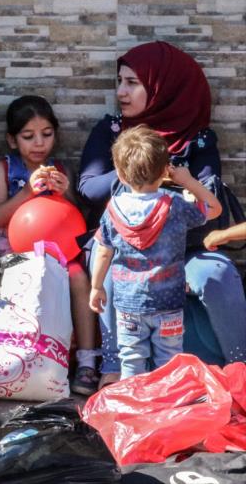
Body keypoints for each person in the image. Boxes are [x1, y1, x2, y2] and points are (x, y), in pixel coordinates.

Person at [78, 41, 246, 387]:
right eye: (120, 81)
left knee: (217, 274)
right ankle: (113, 370)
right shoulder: (112, 131)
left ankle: (238, 369)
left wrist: (169, 175)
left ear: (163, 88)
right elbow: (89, 188)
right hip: (125, 244)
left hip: (183, 245)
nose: (122, 92)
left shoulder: (196, 140)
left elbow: (209, 198)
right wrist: (138, 166)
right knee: (105, 262)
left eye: (133, 83)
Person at [89, 125, 221, 379]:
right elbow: (213, 209)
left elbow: (103, 251)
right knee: (168, 362)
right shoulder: (176, 206)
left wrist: (96, 287)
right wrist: (187, 180)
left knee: (131, 360)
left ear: (120, 174)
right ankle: (165, 410)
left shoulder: (113, 209)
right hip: (169, 303)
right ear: (164, 171)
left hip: (128, 304)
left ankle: (133, 410)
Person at [0, 96, 100, 395]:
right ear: (12, 140)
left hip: (59, 252)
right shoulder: (3, 169)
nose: (39, 143)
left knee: (78, 276)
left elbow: (77, 218)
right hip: (17, 253)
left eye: (46, 134)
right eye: (28, 136)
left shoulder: (61, 168)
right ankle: (28, 358)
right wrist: (27, 190)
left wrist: (65, 194)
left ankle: (88, 361)